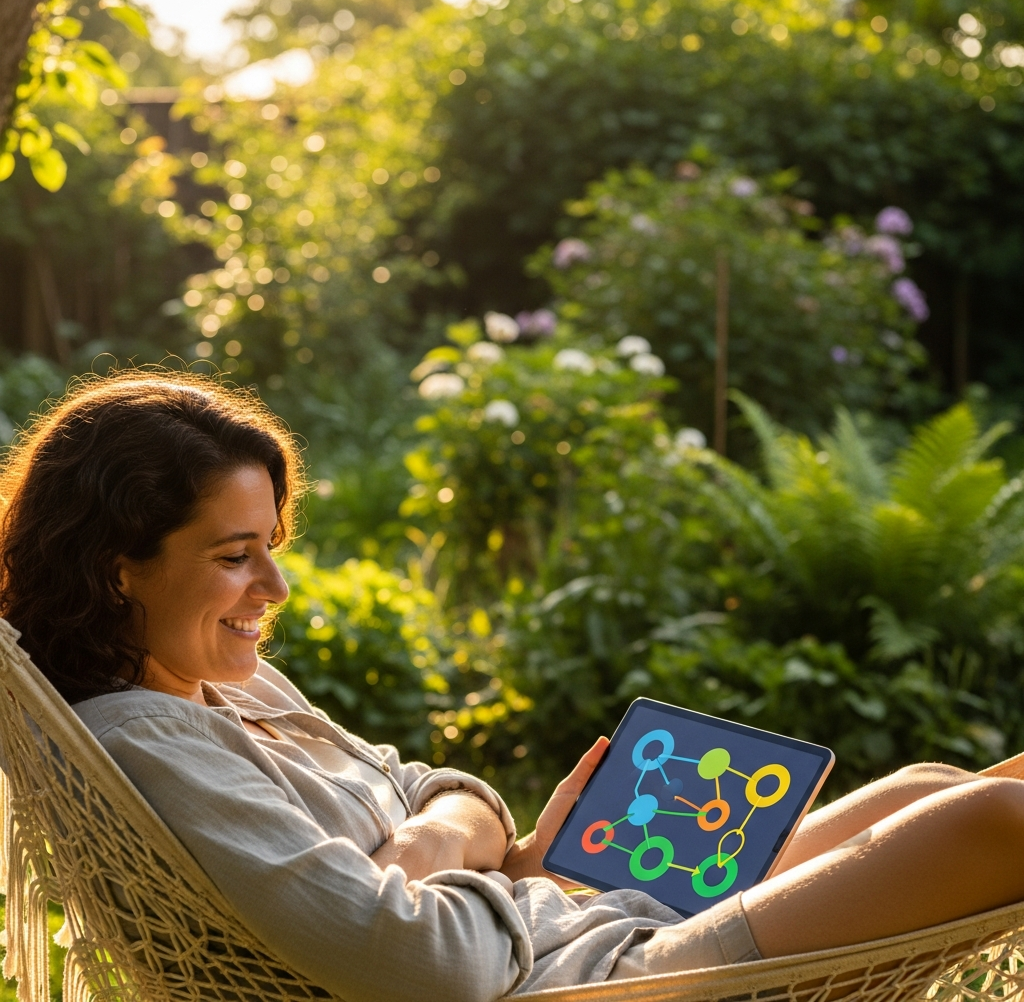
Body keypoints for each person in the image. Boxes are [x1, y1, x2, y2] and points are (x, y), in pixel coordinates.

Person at [1, 371, 1023, 1002]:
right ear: (114, 566)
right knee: (992, 821)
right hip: (586, 981)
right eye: (234, 556)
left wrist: (430, 845)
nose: (273, 586)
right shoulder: (150, 745)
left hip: (572, 931)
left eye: (272, 546)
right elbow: (428, 967)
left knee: (918, 787)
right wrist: (519, 879)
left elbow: (445, 789)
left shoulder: (231, 686)